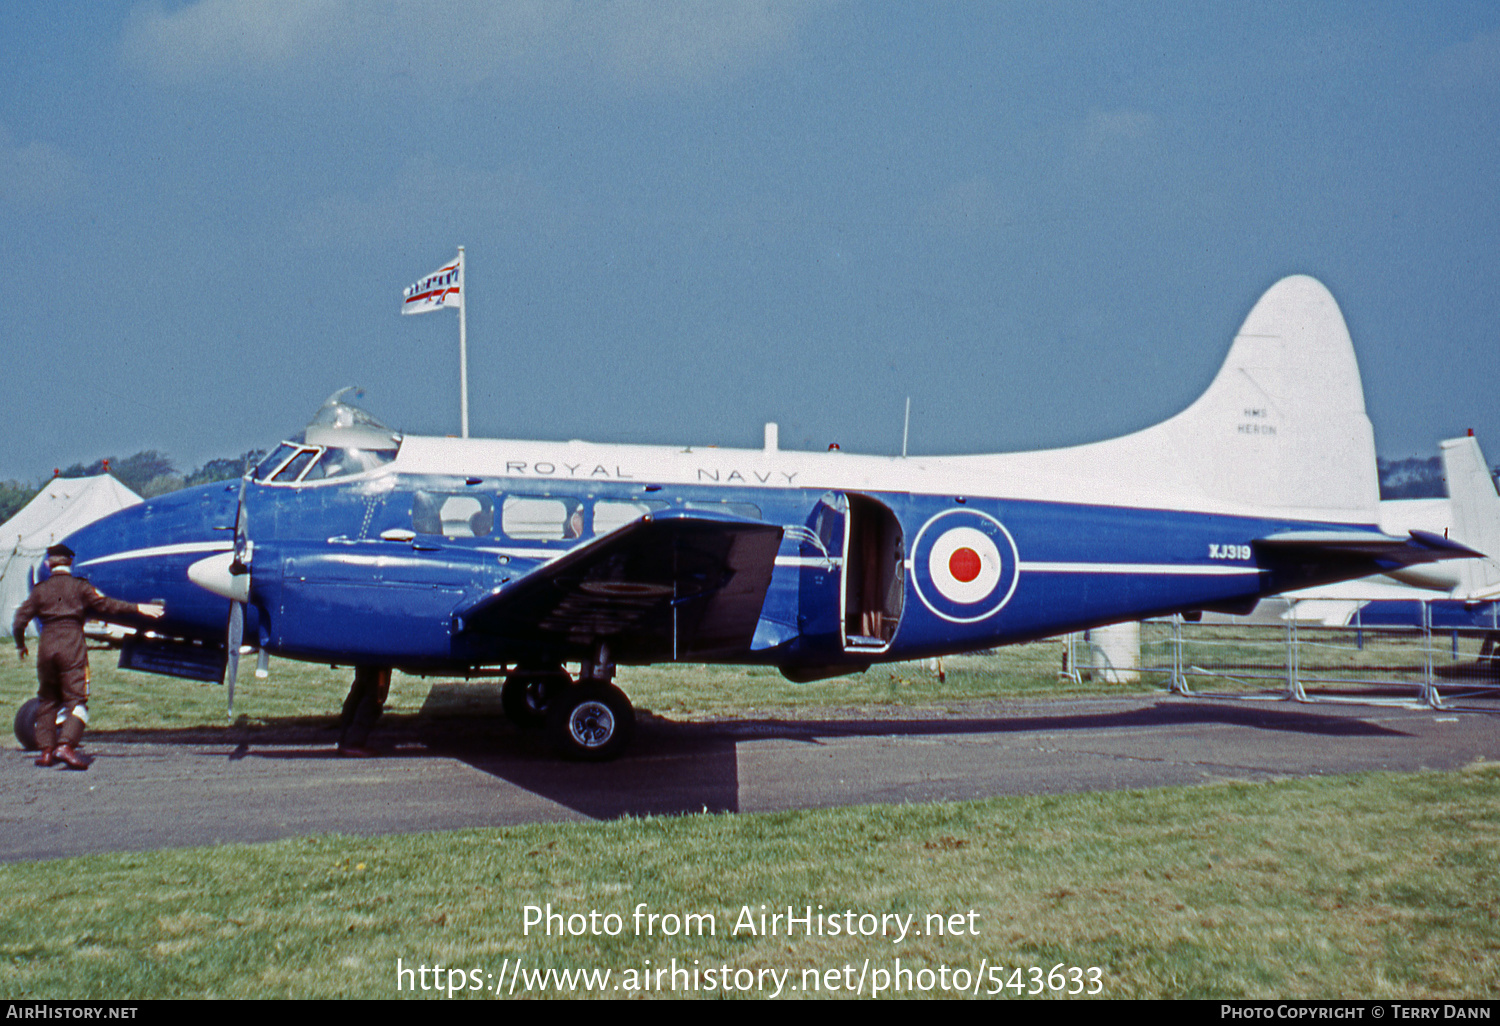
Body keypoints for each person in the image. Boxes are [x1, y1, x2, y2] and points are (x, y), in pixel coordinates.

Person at [12, 543, 164, 769]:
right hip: (71, 647)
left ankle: (46, 752)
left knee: (47, 700)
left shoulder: (40, 590)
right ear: (70, 563)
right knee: (78, 701)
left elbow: (19, 621)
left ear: (48, 564)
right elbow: (107, 605)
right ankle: (66, 745)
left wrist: (21, 645)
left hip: (46, 648)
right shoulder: (80, 587)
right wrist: (138, 608)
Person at [337, 665, 391, 758]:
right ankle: (353, 742)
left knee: (362, 685)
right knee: (375, 693)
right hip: (377, 654)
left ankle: (346, 739)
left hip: (366, 654)